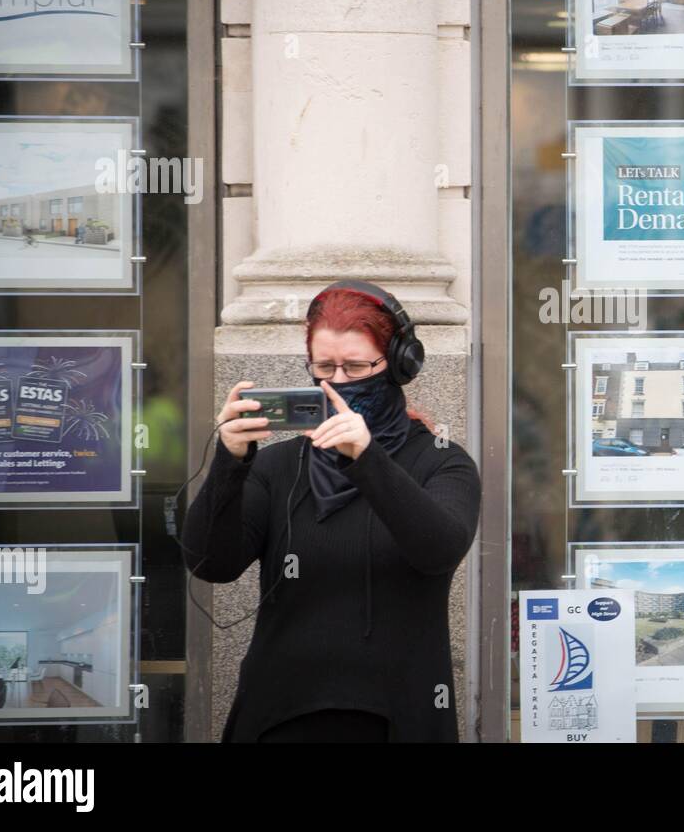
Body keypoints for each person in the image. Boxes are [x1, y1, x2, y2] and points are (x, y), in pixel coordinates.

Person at [182, 279, 481, 742]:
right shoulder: (279, 466)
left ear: (399, 365)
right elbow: (210, 563)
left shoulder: (442, 460)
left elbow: (438, 550)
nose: (338, 381)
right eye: (325, 366)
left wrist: (367, 459)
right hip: (281, 716)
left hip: (397, 718)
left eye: (357, 366)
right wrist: (230, 461)